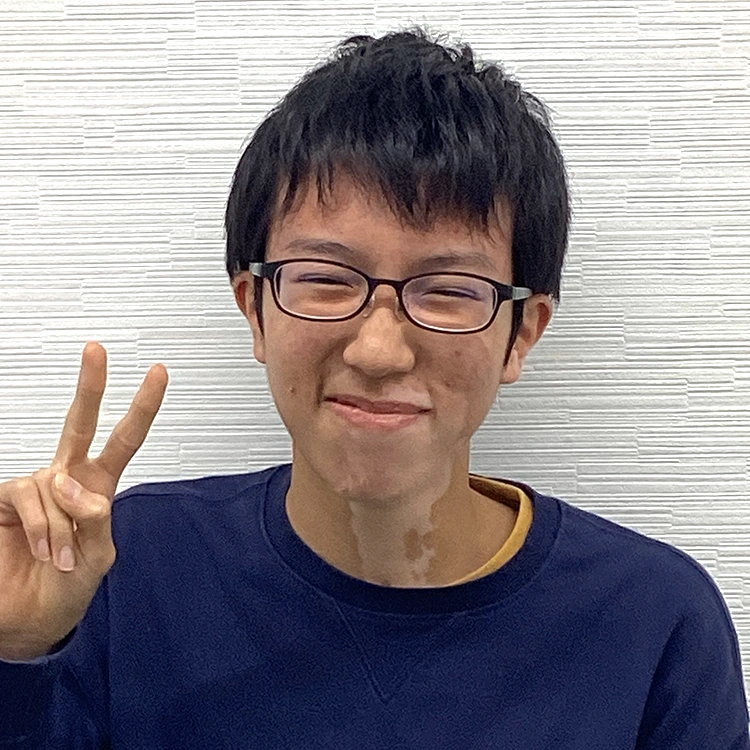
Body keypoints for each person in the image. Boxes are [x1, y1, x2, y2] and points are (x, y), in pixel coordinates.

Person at [0, 25, 748, 749]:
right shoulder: (121, 565)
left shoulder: (654, 622)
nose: (380, 349)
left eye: (447, 290)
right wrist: (18, 648)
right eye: (326, 279)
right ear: (255, 310)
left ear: (521, 332)